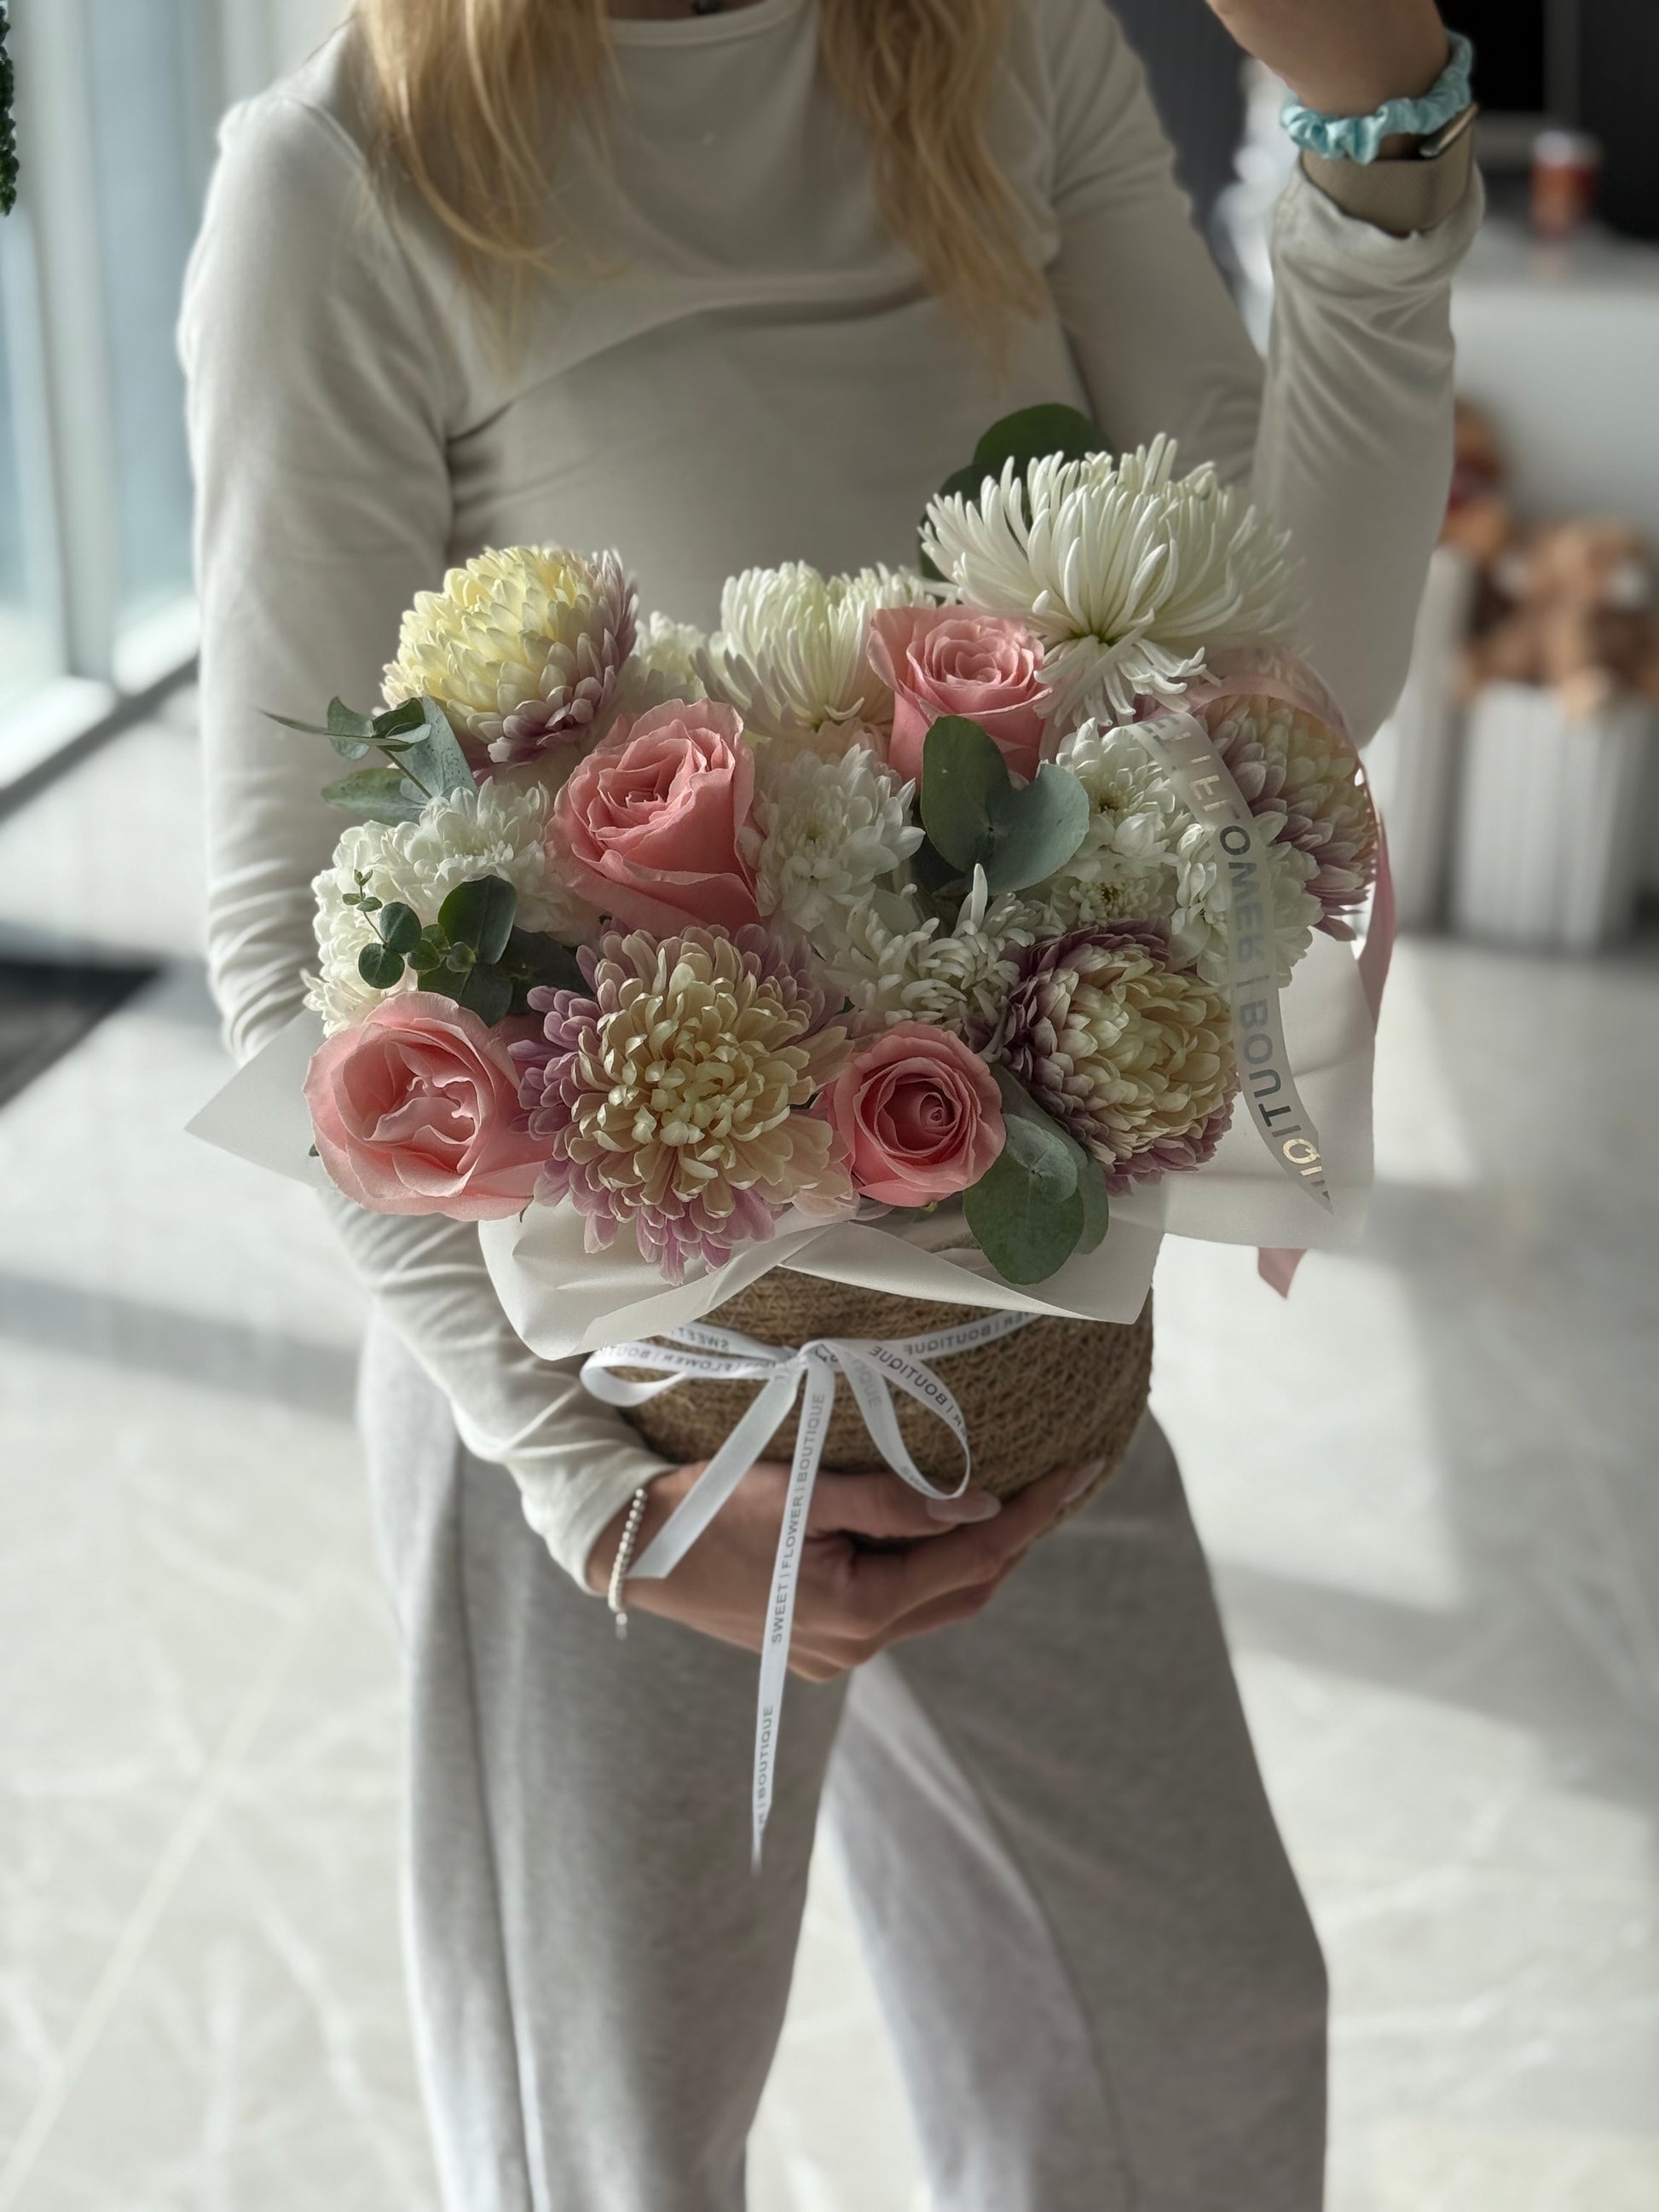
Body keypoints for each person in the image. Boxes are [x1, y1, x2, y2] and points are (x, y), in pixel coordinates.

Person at [181, 2, 1478, 2204]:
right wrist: (593, 1488)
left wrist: (1370, 136)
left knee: (1193, 2047)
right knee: (619, 2147)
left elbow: (1281, 681)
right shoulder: (343, 178)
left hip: (1003, 1319)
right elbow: (279, 929)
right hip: (591, 1368)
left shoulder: (1002, 55)